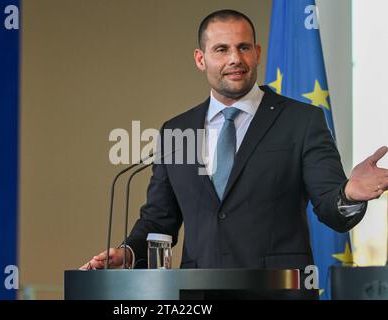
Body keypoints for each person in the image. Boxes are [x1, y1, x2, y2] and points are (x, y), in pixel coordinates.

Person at [80, 9, 388, 272]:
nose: (235, 59)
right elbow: (160, 219)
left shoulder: (301, 121)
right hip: (198, 294)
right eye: (221, 49)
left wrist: (350, 194)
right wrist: (128, 252)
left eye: (243, 47)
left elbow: (330, 208)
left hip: (276, 291)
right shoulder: (177, 130)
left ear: (257, 53)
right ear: (201, 59)